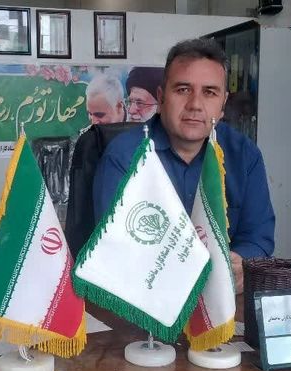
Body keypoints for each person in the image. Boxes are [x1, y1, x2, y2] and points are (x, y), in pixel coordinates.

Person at [93, 38, 275, 294]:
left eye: (209, 92)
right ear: (161, 97)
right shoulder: (124, 157)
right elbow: (116, 248)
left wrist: (240, 262)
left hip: (221, 300)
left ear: (223, 103)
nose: (195, 105)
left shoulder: (244, 155)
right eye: (182, 90)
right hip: (147, 299)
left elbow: (258, 238)